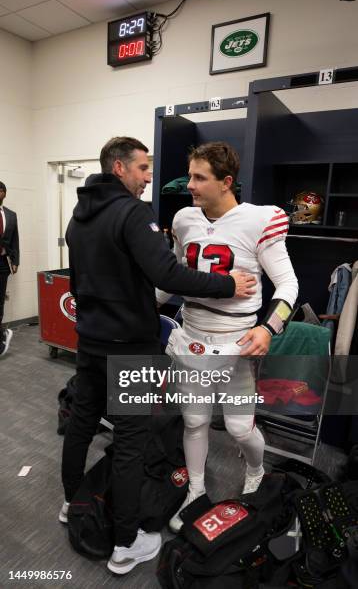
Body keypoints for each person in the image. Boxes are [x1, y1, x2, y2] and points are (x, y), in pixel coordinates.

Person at [60, 136, 254, 576]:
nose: (150, 177)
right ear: (119, 169)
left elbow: (78, 282)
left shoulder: (79, 216)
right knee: (129, 444)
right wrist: (228, 286)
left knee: (82, 425)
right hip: (128, 349)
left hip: (89, 342)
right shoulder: (131, 213)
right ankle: (126, 544)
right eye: (143, 168)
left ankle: (73, 503)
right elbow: (166, 272)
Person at [156, 141, 298, 533]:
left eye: (200, 178)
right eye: (190, 176)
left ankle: (256, 468)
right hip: (192, 335)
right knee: (194, 421)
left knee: (238, 428)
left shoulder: (258, 219)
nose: (191, 186)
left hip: (236, 340)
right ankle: (197, 490)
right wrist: (142, 307)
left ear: (226, 181)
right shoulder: (184, 219)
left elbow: (287, 284)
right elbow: (172, 280)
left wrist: (269, 327)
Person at [0, 181, 19, 357]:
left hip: (2, 264)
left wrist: (16, 261)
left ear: (4, 193)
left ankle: (0, 340)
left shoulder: (11, 215)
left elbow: (15, 240)